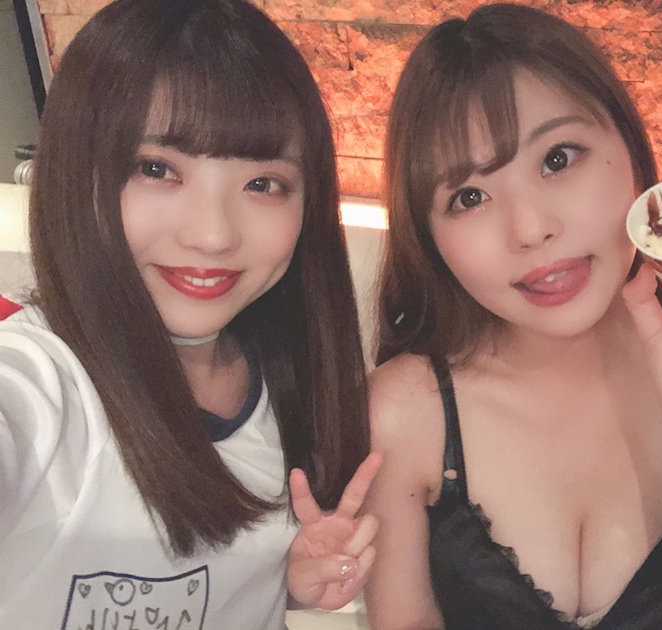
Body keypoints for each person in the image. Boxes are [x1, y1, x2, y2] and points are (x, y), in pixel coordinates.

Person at [363, 4, 662, 629]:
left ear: (632, 152)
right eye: (469, 196)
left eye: (557, 158)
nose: (531, 229)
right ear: (428, 235)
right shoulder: (401, 415)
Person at [0, 0, 380, 627]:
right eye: (157, 169)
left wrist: (287, 580)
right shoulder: (44, 382)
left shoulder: (291, 379)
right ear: (76, 171)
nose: (213, 235)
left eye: (263, 184)